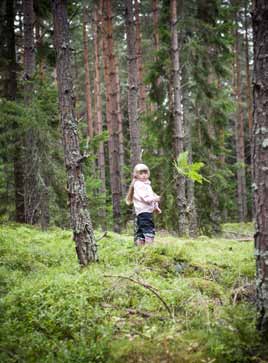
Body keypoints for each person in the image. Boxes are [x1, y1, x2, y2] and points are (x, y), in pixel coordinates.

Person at [126, 163, 161, 246]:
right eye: (141, 173)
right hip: (144, 212)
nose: (144, 175)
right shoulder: (139, 185)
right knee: (148, 229)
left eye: (145, 173)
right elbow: (145, 198)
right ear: (136, 175)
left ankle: (140, 248)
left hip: (144, 212)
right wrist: (155, 199)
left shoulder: (146, 184)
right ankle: (149, 247)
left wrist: (156, 207)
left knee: (141, 231)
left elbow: (152, 195)